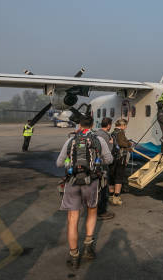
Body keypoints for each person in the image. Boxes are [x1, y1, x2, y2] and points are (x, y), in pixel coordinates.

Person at [56, 115, 113, 269]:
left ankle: (74, 256)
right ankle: (88, 247)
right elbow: (109, 160)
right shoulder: (98, 140)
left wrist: (70, 161)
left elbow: (59, 162)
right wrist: (97, 160)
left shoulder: (70, 140)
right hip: (91, 182)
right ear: (93, 125)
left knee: (73, 218)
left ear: (79, 125)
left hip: (72, 182)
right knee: (91, 212)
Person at [94, 117, 115, 220]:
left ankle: (93, 208)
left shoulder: (96, 133)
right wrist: (111, 144)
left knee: (96, 188)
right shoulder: (105, 136)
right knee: (103, 189)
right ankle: (101, 211)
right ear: (109, 125)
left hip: (94, 165)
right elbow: (107, 153)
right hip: (102, 165)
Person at [109, 119, 132, 206]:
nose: (125, 127)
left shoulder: (113, 132)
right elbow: (122, 143)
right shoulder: (121, 132)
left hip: (113, 157)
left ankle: (111, 196)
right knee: (119, 177)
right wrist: (129, 145)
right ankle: (116, 197)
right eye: (125, 126)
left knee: (112, 176)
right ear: (122, 125)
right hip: (120, 157)